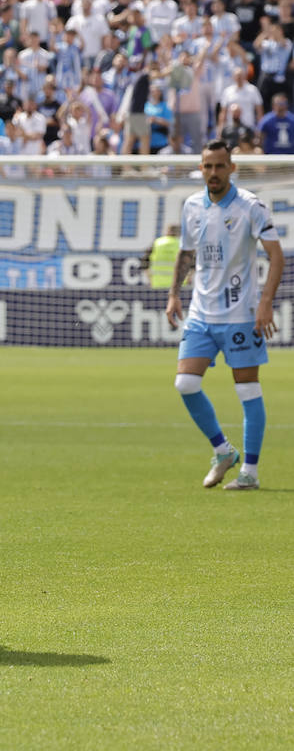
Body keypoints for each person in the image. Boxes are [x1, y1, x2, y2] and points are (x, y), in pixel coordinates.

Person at [165, 140, 284, 490]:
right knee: (185, 383)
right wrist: (174, 294)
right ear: (200, 169)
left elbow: (276, 257)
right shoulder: (191, 206)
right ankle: (222, 451)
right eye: (207, 167)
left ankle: (250, 471)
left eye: (219, 166)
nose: (213, 173)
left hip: (240, 315)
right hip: (202, 314)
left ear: (232, 168)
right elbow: (186, 253)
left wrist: (265, 303)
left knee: (247, 389)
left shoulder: (251, 207)